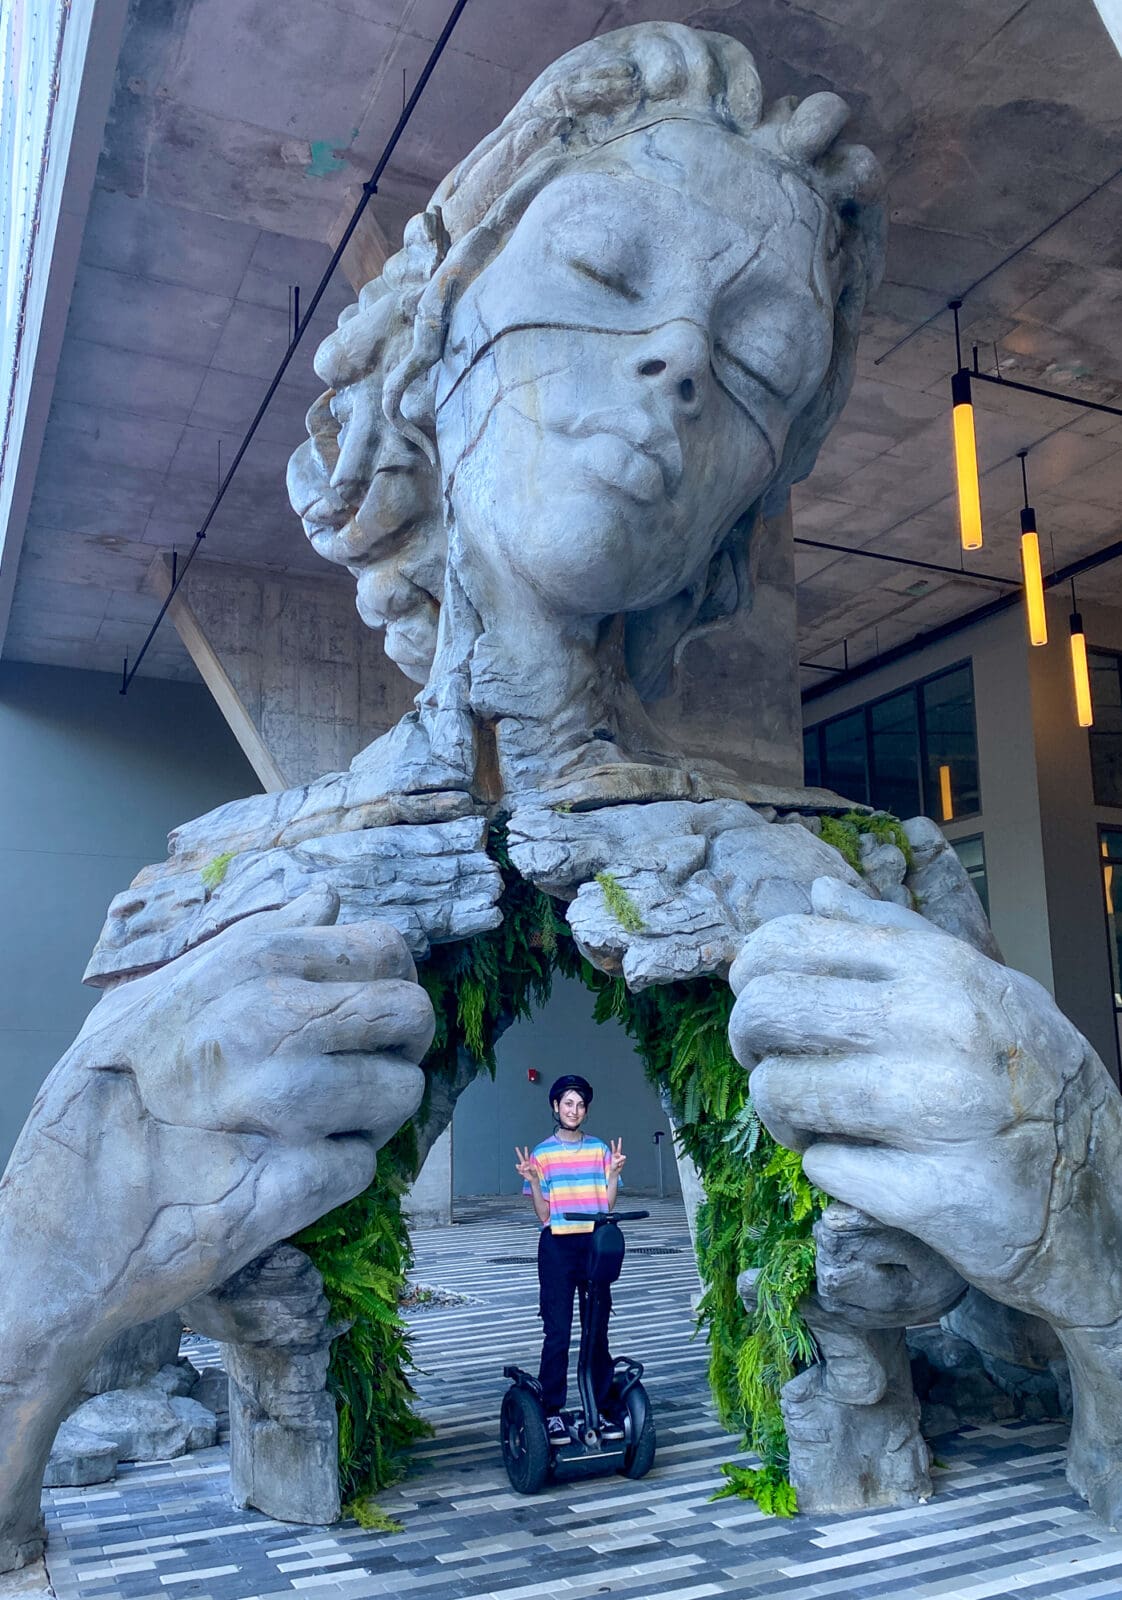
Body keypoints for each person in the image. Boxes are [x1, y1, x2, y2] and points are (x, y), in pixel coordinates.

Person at [515, 1075, 627, 1441]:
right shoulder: (542, 1154)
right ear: (555, 1107)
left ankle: (603, 1405)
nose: (573, 1110)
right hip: (558, 1248)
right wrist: (533, 1181)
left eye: (579, 1105)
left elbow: (607, 1205)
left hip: (595, 1245)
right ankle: (552, 1410)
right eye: (567, 1104)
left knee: (597, 1332)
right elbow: (544, 1216)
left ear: (586, 1110)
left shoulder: (599, 1150)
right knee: (558, 1331)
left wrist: (612, 1175)